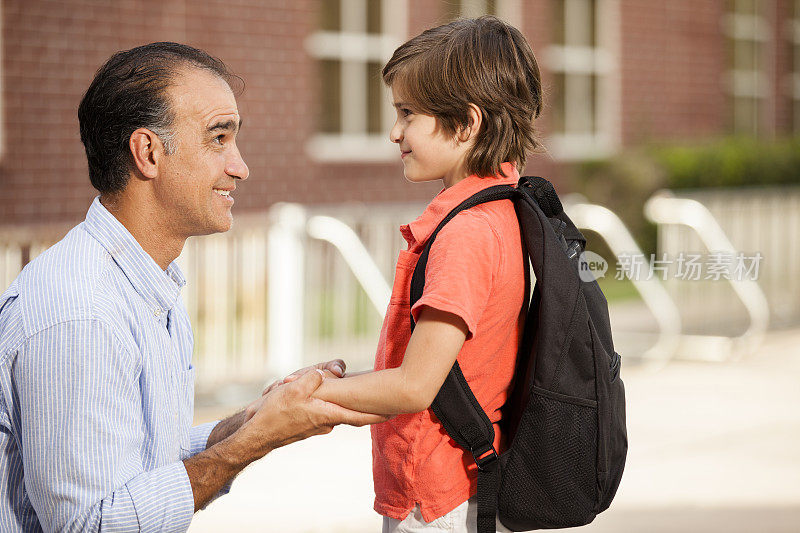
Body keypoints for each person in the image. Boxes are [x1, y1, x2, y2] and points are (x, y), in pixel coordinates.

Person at [0, 42, 384, 532]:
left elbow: (144, 460)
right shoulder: (81, 312)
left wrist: (258, 419)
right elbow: (93, 525)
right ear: (149, 152)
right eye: (218, 138)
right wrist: (252, 443)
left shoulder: (144, 282)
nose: (240, 166)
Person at [283, 15, 542, 533]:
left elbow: (414, 387)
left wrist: (304, 395)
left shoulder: (467, 234)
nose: (393, 131)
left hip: (440, 501)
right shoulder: (502, 208)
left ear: (466, 124)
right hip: (466, 486)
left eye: (407, 114)